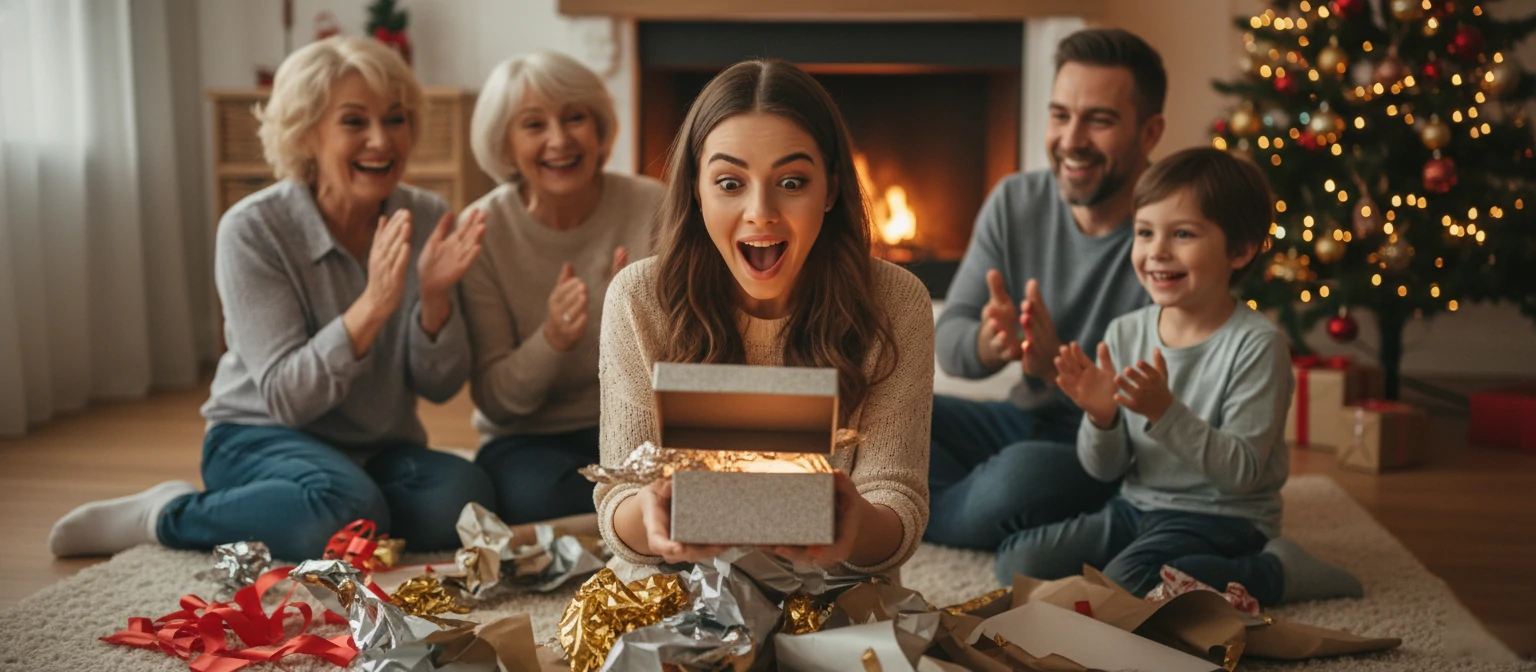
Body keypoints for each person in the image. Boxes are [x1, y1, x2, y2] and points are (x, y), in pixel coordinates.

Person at [48, 36, 494, 561]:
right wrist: (373, 305)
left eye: (395, 119)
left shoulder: (424, 215)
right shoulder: (252, 229)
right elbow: (287, 398)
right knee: (342, 510)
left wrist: (436, 299)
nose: (382, 140)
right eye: (354, 122)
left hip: (377, 446)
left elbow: (440, 387)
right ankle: (167, 514)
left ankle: (345, 510)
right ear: (306, 134)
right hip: (258, 438)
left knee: (464, 499)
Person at [595, 58, 934, 578]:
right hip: (677, 591)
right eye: (730, 183)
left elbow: (898, 503)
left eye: (792, 181)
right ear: (694, 190)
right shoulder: (639, 298)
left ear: (833, 190)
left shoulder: (896, 302)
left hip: (835, 589)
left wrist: (851, 526)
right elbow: (619, 503)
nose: (761, 212)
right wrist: (651, 515)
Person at [994, 148, 1362, 605]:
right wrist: (1102, 419)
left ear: (1241, 250)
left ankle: (1276, 571)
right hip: (1137, 507)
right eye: (1145, 232)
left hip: (1225, 518)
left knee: (1128, 586)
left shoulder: (1257, 345)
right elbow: (1105, 469)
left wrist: (1164, 412)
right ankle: (1156, 567)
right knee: (1016, 562)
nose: (1157, 252)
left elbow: (1242, 474)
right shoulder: (1125, 333)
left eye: (1183, 233)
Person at [926, 28, 1164, 550]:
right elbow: (951, 343)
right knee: (884, 414)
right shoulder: (1017, 200)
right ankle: (950, 508)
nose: (1071, 140)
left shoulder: (1169, 233)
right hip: (1017, 419)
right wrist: (990, 343)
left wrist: (1058, 365)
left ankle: (904, 518)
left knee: (1016, 481)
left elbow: (1162, 417)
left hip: (1106, 444)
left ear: (1150, 134)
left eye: (1099, 120)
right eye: (1060, 115)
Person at [462, 52, 663, 529]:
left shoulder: (654, 205)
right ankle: (632, 522)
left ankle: (630, 519)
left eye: (574, 118)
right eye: (534, 125)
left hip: (640, 426)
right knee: (533, 497)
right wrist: (551, 340)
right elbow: (495, 399)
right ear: (505, 145)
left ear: (598, 130)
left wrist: (644, 312)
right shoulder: (483, 232)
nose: (559, 139)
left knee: (695, 482)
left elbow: (690, 359)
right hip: (532, 439)